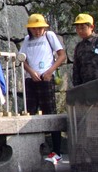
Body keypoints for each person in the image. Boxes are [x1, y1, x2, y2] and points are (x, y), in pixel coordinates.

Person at [20, 13, 66, 162]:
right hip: (31, 79)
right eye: (35, 29)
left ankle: (56, 151)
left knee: (50, 113)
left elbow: (61, 55)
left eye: (40, 28)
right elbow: (22, 59)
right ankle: (30, 150)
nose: (38, 31)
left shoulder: (49, 36)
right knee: (30, 113)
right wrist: (31, 72)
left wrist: (49, 71)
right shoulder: (27, 40)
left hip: (46, 77)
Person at [71, 13, 98, 87]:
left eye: (82, 28)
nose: (80, 31)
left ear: (91, 27)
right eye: (77, 28)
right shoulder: (79, 46)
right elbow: (76, 69)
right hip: (85, 88)